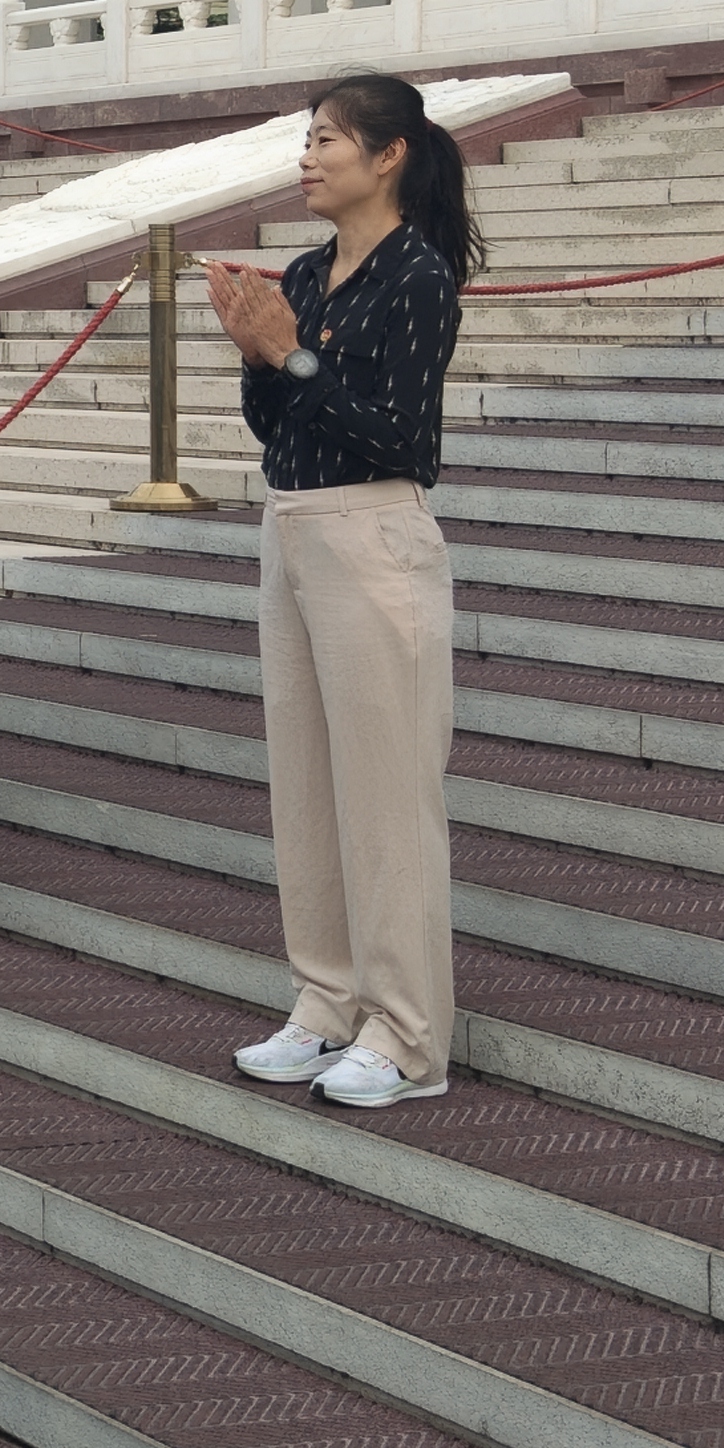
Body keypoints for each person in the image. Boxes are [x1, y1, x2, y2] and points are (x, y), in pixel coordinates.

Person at [207, 74, 476, 1113]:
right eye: (306, 140)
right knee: (307, 788)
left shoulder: (417, 275)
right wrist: (259, 353)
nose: (307, 158)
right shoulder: (309, 271)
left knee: (387, 799)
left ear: (388, 154)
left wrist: (291, 355)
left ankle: (406, 1038)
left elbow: (403, 438)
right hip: (292, 525)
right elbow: (274, 424)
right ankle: (326, 1004)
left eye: (326, 140)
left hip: (373, 532)